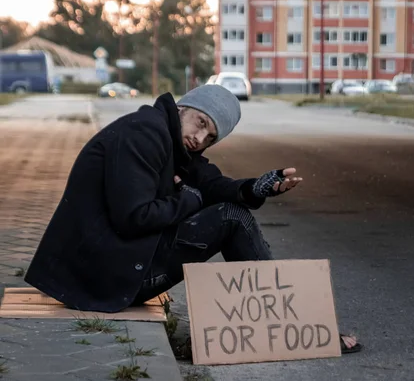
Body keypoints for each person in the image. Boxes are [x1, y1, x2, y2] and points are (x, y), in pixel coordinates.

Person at [24, 85, 361, 354]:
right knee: (230, 217)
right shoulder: (144, 134)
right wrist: (188, 198)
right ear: (182, 108)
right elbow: (133, 218)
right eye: (201, 124)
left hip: (110, 268)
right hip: (103, 280)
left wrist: (256, 188)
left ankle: (289, 327)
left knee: (231, 208)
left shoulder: (172, 139)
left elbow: (213, 184)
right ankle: (295, 329)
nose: (200, 139)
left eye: (211, 136)